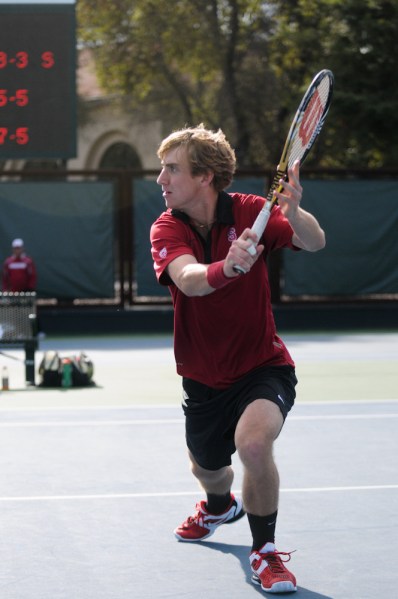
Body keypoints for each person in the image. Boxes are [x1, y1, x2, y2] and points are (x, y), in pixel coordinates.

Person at [150, 124, 325, 594]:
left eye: (171, 169)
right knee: (208, 465)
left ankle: (265, 553)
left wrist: (295, 210)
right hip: (203, 376)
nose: (161, 179)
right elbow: (188, 279)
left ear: (205, 176)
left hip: (262, 366)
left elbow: (314, 242)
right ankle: (218, 504)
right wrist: (226, 268)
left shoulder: (253, 211)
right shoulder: (167, 226)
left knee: (252, 445)